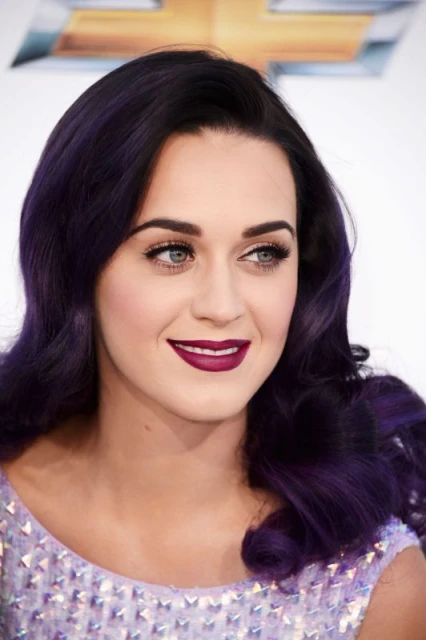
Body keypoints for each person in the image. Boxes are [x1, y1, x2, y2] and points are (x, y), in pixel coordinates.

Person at [0, 47, 425, 640]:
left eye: (263, 253)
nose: (223, 306)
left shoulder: (378, 581)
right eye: (173, 252)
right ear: (78, 264)